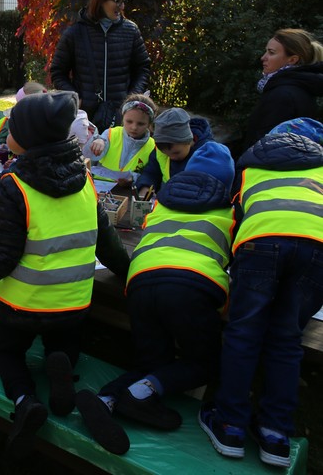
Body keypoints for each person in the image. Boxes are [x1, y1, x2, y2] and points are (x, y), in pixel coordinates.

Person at [0, 91, 131, 460]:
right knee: (64, 345)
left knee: (6, 352)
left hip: (22, 305)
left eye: (12, 128)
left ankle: (26, 399)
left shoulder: (15, 187)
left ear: (27, 139)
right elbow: (108, 246)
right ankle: (62, 369)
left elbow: (0, 258)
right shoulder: (87, 181)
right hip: (73, 304)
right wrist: (129, 274)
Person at [79, 142, 235, 455]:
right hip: (191, 286)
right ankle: (141, 395)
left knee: (152, 360)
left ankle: (106, 399)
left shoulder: (162, 201)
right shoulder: (230, 210)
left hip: (140, 279)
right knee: (205, 363)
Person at [200, 118, 323, 470]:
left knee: (243, 333)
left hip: (260, 243)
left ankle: (230, 425)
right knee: (286, 339)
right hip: (317, 248)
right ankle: (275, 434)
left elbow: (237, 213)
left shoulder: (253, 163)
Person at [49, 0, 151, 131]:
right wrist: (75, 97)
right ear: (102, 0)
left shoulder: (131, 31)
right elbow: (57, 71)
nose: (122, 6)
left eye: (124, 1)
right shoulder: (75, 33)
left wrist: (131, 99)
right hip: (85, 117)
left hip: (121, 115)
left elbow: (143, 68)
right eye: (118, 1)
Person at [243, 29, 323, 150]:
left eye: (271, 52)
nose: (263, 57)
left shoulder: (282, 95)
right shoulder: (299, 87)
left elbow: (264, 146)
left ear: (292, 59)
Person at [135, 107, 214, 198]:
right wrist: (145, 187)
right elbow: (151, 173)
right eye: (166, 154)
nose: (172, 157)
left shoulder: (208, 154)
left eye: (176, 153)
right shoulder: (160, 149)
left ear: (188, 140)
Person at [85, 94, 157, 185]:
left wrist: (133, 179)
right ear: (123, 118)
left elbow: (150, 174)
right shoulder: (110, 133)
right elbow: (88, 157)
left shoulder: (152, 146)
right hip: (99, 185)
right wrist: (97, 141)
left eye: (141, 124)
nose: (134, 127)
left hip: (129, 190)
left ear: (149, 124)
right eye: (129, 121)